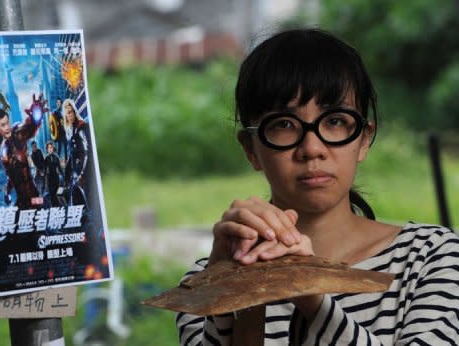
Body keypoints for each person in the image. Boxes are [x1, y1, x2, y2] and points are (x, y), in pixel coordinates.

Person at [176, 28, 459, 345]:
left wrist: (311, 295)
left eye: (335, 121)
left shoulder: (430, 256)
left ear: (364, 140)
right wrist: (231, 285)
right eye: (283, 124)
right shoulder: (202, 282)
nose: (312, 148)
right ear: (251, 149)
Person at [0, 94, 47, 209]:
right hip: (21, 199)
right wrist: (7, 192)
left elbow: (28, 128)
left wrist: (34, 117)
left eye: (7, 122)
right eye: (3, 125)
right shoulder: (3, 149)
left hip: (32, 193)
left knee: (41, 212)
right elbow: (10, 175)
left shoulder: (17, 134)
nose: (7, 127)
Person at [63, 98, 90, 207]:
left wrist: (83, 174)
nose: (69, 115)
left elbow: (87, 151)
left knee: (88, 207)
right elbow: (71, 154)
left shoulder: (81, 127)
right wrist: (66, 175)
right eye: (67, 113)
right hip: (75, 176)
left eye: (71, 112)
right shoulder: (70, 131)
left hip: (83, 175)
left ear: (74, 111)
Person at [44, 141, 63, 207]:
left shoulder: (56, 157)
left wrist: (63, 176)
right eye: (48, 148)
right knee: (51, 194)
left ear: (53, 148)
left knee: (56, 194)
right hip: (50, 178)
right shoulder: (46, 158)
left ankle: (58, 207)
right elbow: (45, 170)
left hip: (56, 177)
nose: (50, 149)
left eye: (51, 147)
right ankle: (53, 207)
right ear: (47, 149)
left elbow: (60, 168)